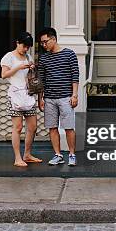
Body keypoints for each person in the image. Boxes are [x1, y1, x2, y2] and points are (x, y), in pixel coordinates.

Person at [38, 27, 79, 166]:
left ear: (53, 39)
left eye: (45, 42)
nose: (44, 45)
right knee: (52, 127)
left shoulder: (69, 54)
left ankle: (72, 155)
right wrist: (40, 98)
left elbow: (75, 76)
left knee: (68, 128)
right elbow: (41, 80)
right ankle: (58, 155)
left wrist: (74, 95)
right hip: (49, 98)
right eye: (42, 43)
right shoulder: (44, 58)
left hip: (65, 97)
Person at [0, 32, 42, 167]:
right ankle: (17, 158)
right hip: (15, 96)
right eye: (24, 46)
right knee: (17, 128)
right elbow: (4, 75)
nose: (25, 49)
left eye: (28, 47)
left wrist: (32, 68)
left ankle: (27, 154)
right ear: (17, 43)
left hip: (28, 94)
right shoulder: (9, 57)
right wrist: (18, 67)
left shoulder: (28, 56)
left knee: (33, 127)